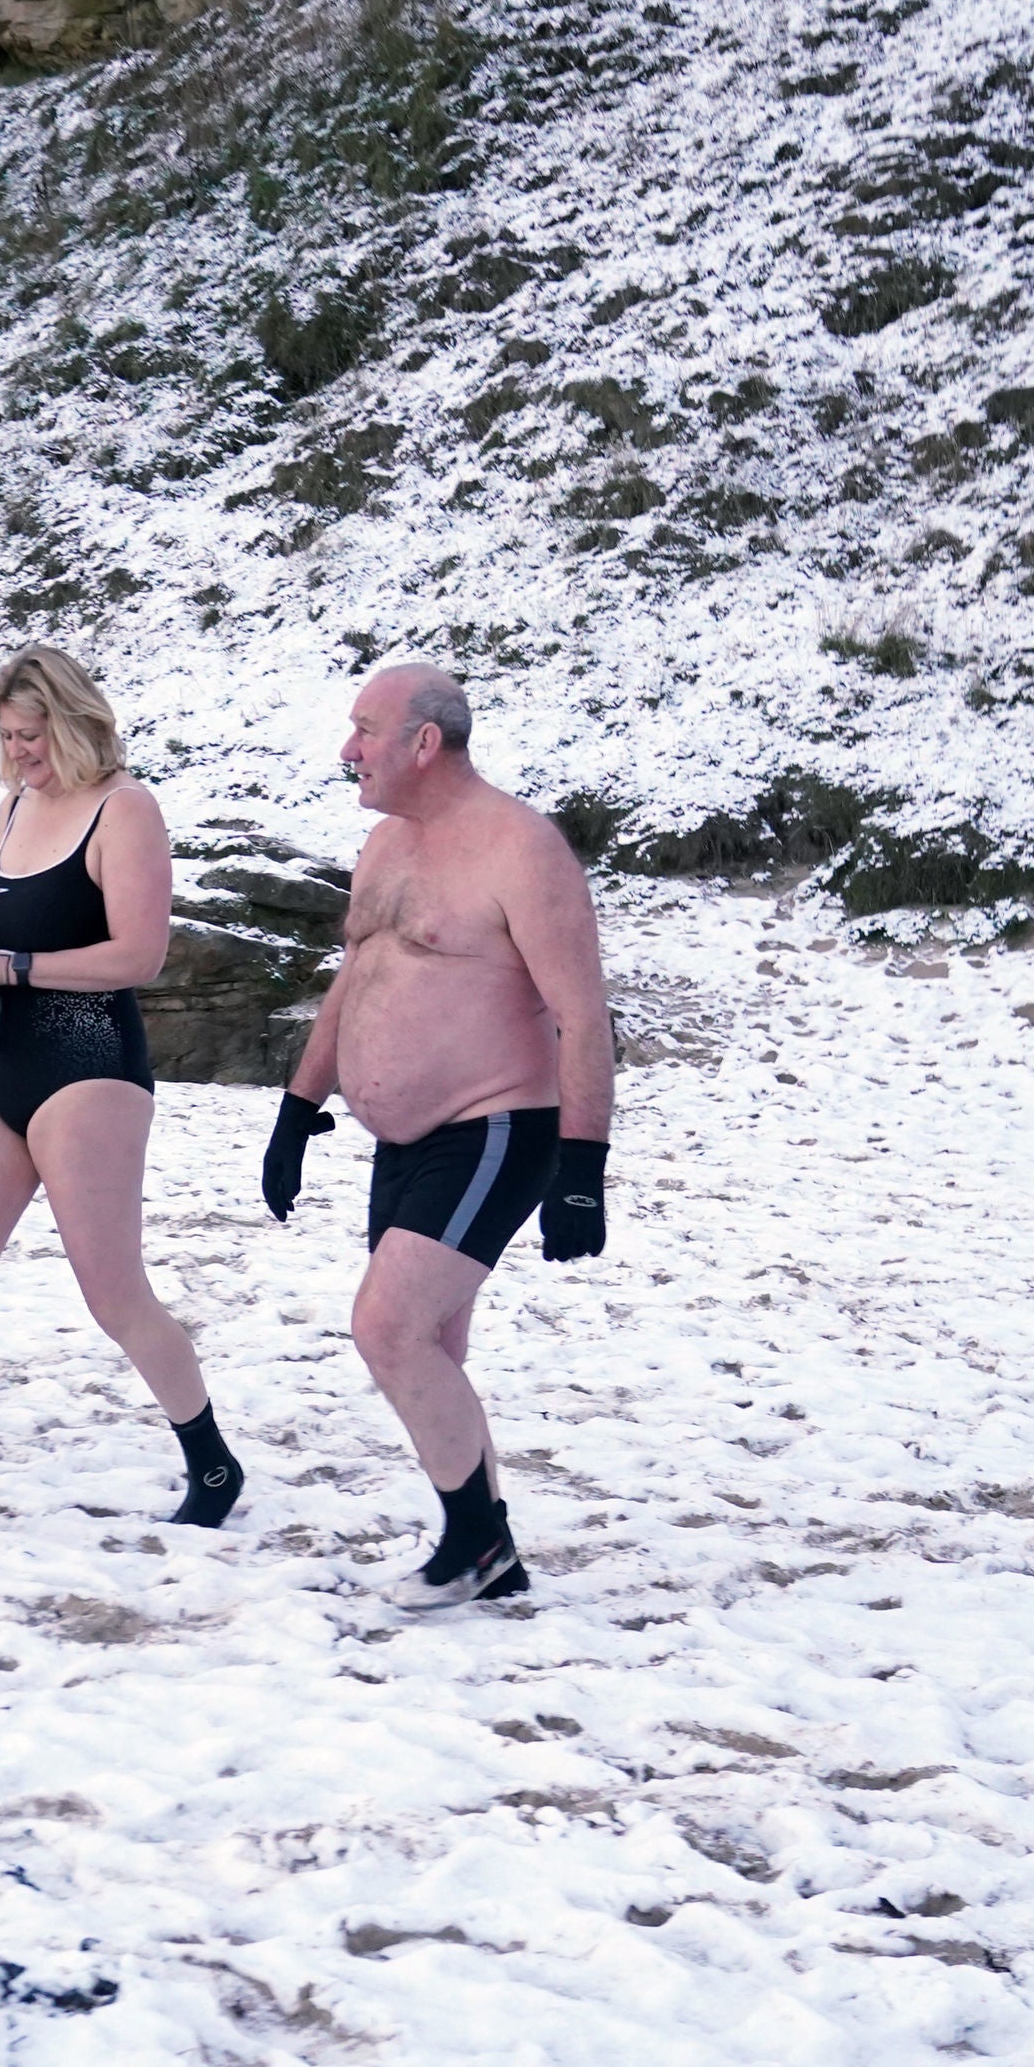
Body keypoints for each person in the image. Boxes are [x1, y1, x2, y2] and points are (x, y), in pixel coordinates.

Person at [261, 665, 612, 1607]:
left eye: (364, 730)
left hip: (496, 1124)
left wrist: (583, 1170)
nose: (347, 751)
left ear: (425, 741)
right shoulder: (383, 846)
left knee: (388, 1327)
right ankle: (494, 1564)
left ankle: (477, 1543)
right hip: (401, 1138)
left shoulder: (520, 851)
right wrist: (300, 1109)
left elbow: (583, 1016)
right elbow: (357, 978)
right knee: (432, 1353)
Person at [0, 646, 237, 1543]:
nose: (18, 753)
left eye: (30, 735)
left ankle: (212, 1461)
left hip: (90, 1068)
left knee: (112, 1294)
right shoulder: (12, 806)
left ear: (72, 723)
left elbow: (140, 956)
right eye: (5, 736)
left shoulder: (126, 810)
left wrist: (15, 965)